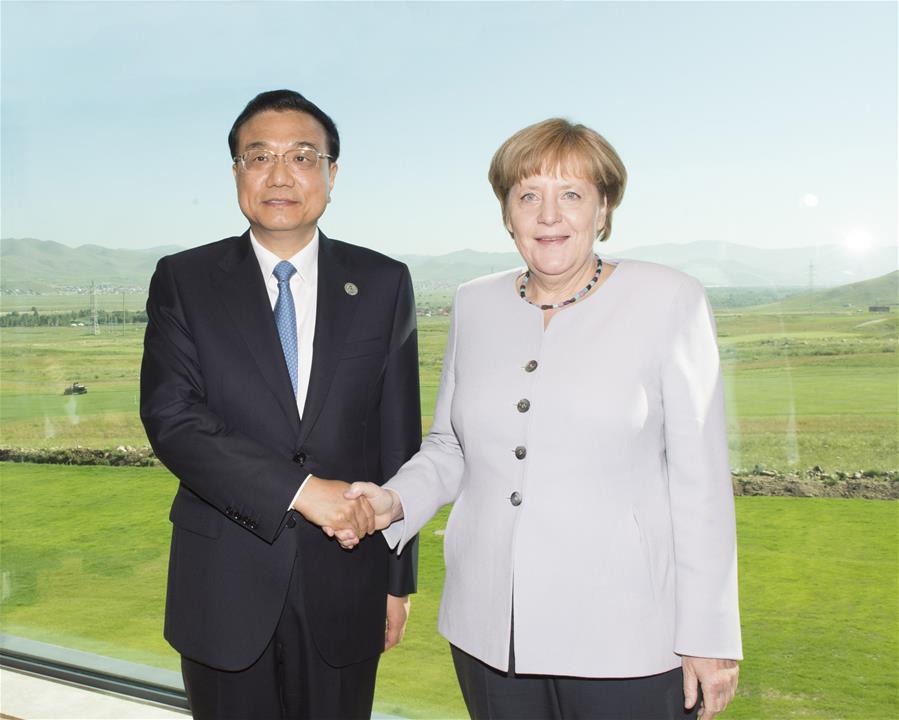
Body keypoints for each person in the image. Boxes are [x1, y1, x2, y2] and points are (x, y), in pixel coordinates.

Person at [342, 118, 742, 719]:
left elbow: (701, 482)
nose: (548, 215)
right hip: (488, 631)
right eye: (528, 195)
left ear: (603, 209)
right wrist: (391, 504)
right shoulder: (474, 302)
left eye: (572, 195)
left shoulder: (671, 299)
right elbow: (451, 446)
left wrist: (708, 636)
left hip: (628, 635)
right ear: (507, 213)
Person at [140, 89, 421, 720]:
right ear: (236, 173)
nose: (279, 175)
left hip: (349, 580)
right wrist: (303, 491)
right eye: (257, 156)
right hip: (223, 584)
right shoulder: (184, 280)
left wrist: (397, 579)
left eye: (302, 156)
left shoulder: (382, 282)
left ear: (331, 174)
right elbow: (173, 420)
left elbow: (399, 440)